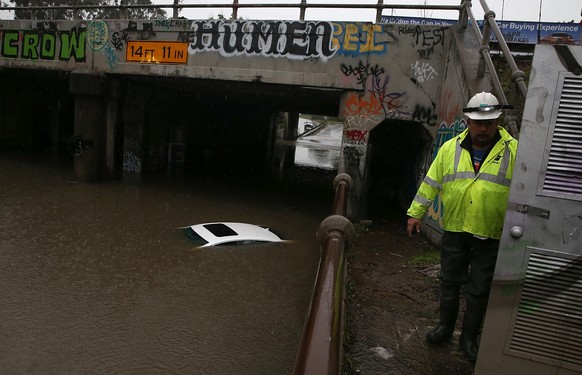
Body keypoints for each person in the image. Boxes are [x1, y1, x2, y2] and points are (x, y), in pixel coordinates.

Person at [406, 92, 518, 362]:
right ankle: (445, 328)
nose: (483, 129)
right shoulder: (449, 149)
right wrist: (415, 213)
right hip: (456, 227)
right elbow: (431, 182)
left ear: (498, 121)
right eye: (478, 123)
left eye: (489, 123)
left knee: (479, 290)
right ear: (467, 120)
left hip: (490, 232)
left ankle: (468, 339)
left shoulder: (514, 150)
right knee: (449, 282)